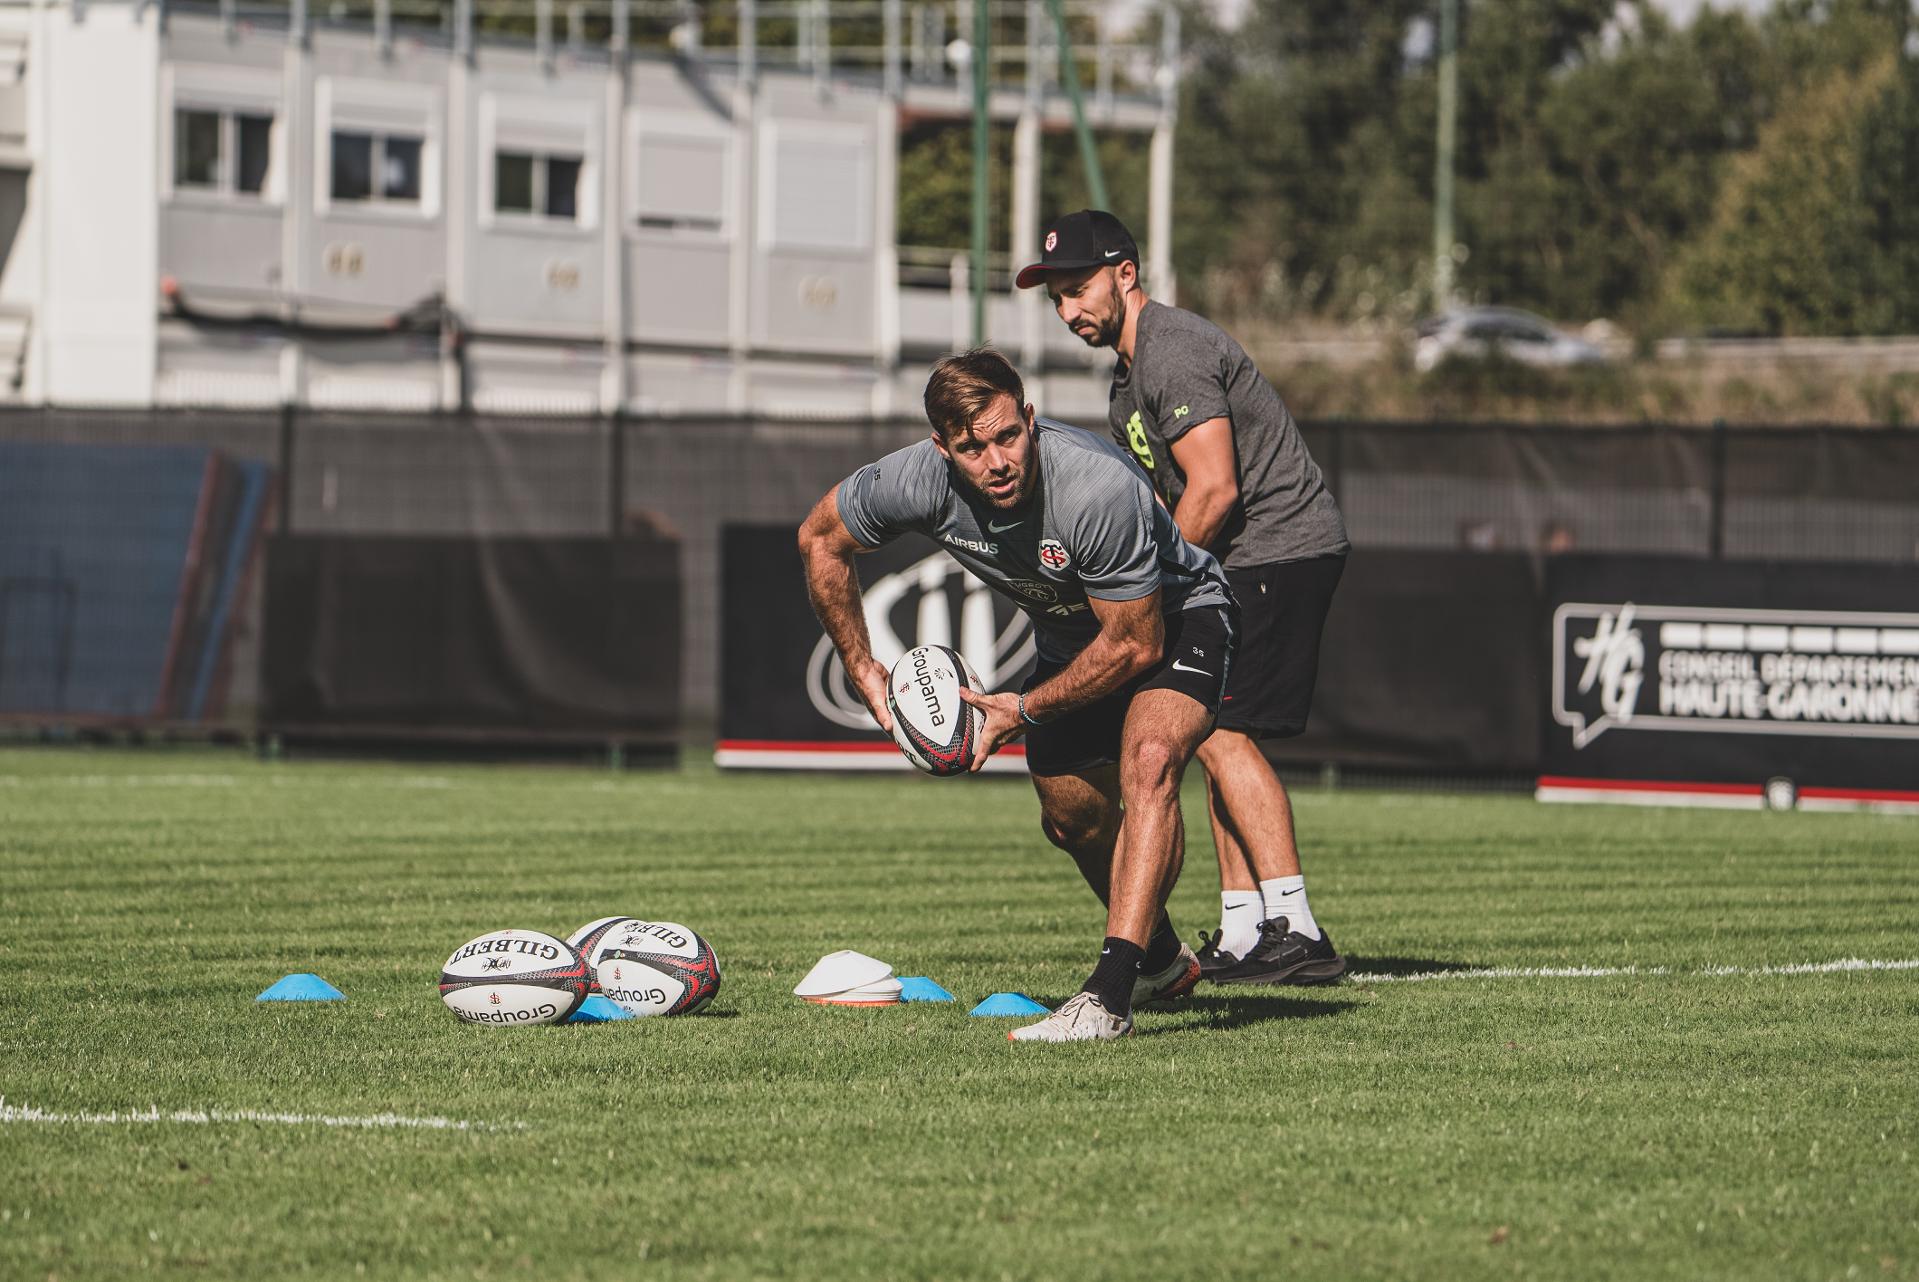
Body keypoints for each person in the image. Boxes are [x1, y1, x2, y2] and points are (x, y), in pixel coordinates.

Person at [797, 347, 1238, 1042]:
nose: (996, 461)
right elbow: (820, 538)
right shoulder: (916, 480)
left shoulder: (1094, 487)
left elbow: (1134, 645)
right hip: (1070, 640)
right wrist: (863, 670)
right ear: (942, 449)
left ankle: (1109, 997)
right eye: (972, 448)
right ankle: (1158, 960)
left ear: (1029, 419)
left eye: (1008, 436)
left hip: (1177, 620)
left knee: (1149, 759)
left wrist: (1021, 710)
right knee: (1070, 821)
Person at [1015, 209, 1350, 985]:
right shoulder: (1130, 376)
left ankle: (1294, 926)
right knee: (1206, 732)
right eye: (1056, 298)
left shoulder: (1173, 351)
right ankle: (1242, 931)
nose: (1068, 311)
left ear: (1124, 275)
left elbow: (1214, 489)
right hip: (1238, 556)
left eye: (1078, 290)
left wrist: (1151, 591)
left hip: (1275, 549)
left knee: (1225, 731)